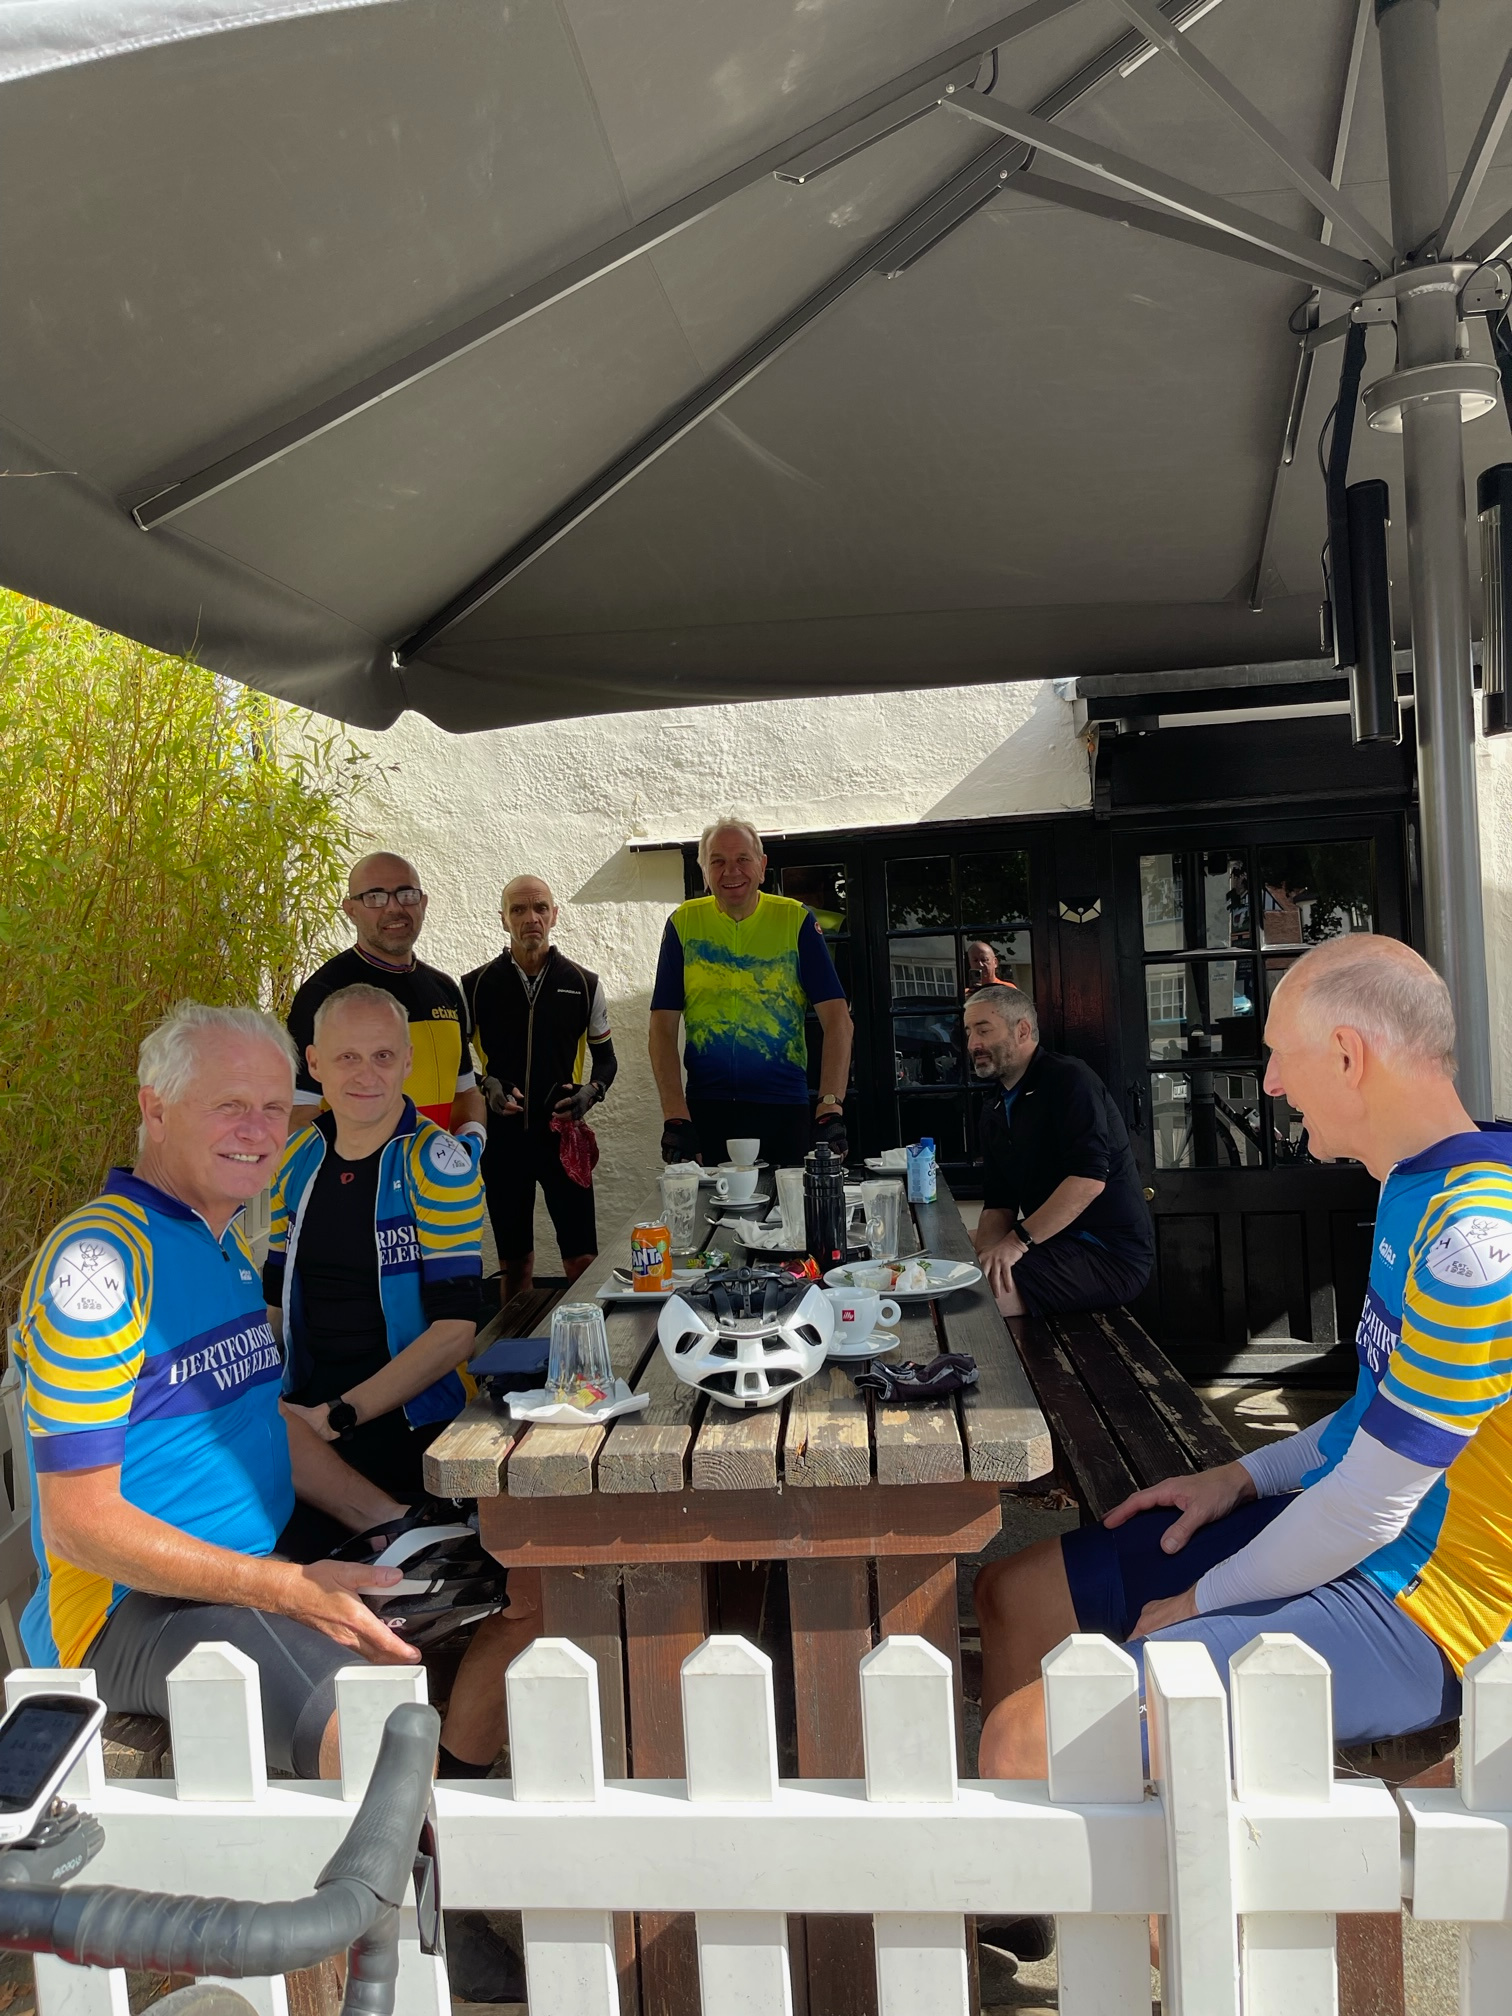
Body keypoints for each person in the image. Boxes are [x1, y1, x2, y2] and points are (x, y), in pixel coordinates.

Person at [14, 1001, 532, 1998]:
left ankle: (428, 1871)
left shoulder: (216, 1243)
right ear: (155, 1108)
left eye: (270, 1106)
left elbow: (271, 1429)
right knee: (369, 1715)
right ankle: (414, 1945)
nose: (259, 1130)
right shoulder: (102, 1262)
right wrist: (289, 1590)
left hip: (246, 1569)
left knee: (509, 1590)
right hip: (127, 1610)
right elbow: (79, 1525)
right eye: (229, 1107)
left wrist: (391, 1524)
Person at [975, 934, 1512, 1797]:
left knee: (1025, 1744)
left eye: (1279, 1055)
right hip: (1348, 1531)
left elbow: (1370, 1506)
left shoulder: (1475, 1240)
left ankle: (1144, 1870)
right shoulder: (1411, 1181)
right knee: (1014, 1594)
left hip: (1429, 1605)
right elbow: (1374, 1414)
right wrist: (1240, 1476)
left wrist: (1200, 1601)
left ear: (1347, 1056)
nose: (1270, 1084)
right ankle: (1082, 1865)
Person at [266, 984, 486, 1498]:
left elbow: (456, 1332)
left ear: (407, 1061)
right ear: (314, 1064)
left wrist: (338, 1415)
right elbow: (274, 1305)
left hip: (407, 1421)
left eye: (382, 1056)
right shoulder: (295, 1156)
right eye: (347, 1057)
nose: (366, 1075)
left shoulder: (437, 1164)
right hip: (301, 1411)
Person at [649, 818, 853, 1167]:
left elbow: (837, 1020)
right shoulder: (683, 923)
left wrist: (829, 1106)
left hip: (783, 1106)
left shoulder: (796, 921)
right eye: (717, 861)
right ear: (704, 870)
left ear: (762, 866)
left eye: (743, 859)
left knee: (787, 1203)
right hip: (707, 1107)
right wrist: (675, 1115)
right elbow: (661, 1028)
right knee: (709, 1205)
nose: (731, 871)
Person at [462, 875, 618, 1302]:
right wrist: (486, 1084)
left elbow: (607, 1060)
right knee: (515, 1264)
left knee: (582, 1260)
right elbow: (455, 1064)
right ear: (503, 919)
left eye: (540, 908)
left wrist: (591, 1092)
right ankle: (514, 1344)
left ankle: (589, 1340)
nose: (530, 917)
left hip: (561, 1137)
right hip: (503, 1141)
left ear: (554, 915)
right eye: (518, 909)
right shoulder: (474, 986)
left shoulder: (584, 983)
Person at [965, 986, 1153, 1316]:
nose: (972, 1044)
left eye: (983, 1030)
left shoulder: (1068, 1079)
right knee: (947, 1262)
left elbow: (1088, 1181)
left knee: (966, 1300)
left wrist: (1013, 1244)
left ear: (1022, 1030)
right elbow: (998, 1203)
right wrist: (985, 1256)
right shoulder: (994, 1104)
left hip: (1107, 1254)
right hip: (1050, 1241)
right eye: (968, 1032)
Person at [286, 852, 485, 1136]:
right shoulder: (324, 994)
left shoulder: (444, 988)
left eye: (406, 894)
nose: (394, 908)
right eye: (375, 897)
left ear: (423, 903)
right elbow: (300, 1111)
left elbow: (465, 1092)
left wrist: (471, 1142)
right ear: (351, 910)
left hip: (438, 1165)